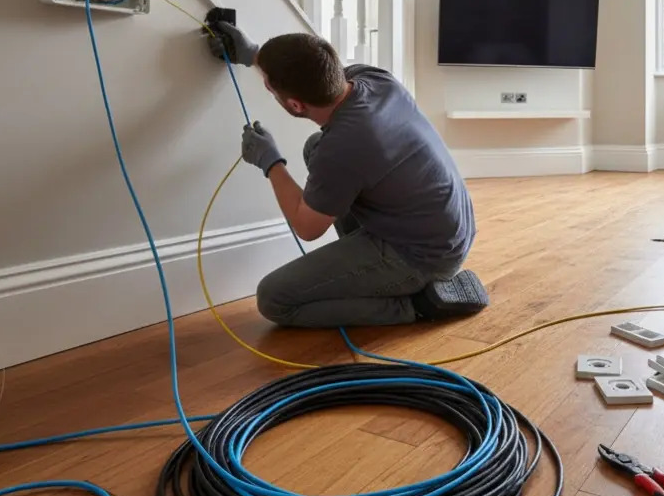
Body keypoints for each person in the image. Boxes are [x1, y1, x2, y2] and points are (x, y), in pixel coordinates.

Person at [207, 22, 487, 328]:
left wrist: (271, 162)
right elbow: (311, 69)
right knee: (315, 146)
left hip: (423, 258)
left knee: (274, 299)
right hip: (447, 231)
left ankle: (415, 306)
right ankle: (366, 264)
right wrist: (255, 55)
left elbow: (307, 227)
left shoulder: (343, 147)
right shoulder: (373, 79)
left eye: (271, 87)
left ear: (296, 105)